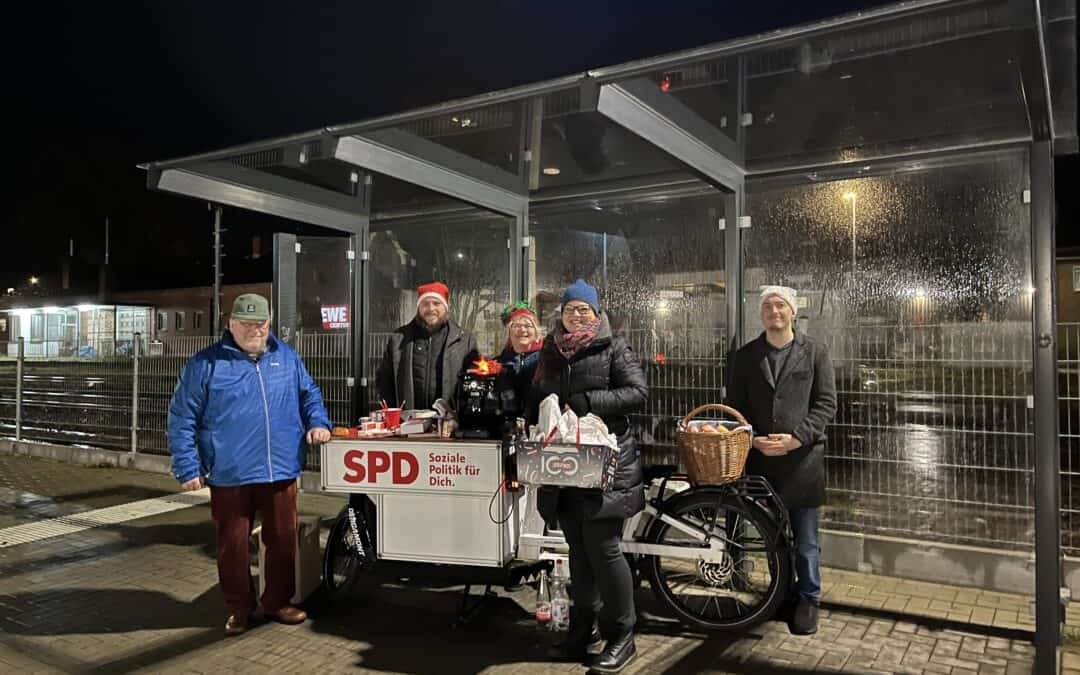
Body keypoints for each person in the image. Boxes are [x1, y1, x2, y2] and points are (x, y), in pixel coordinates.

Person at [167, 293, 333, 636]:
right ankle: (239, 608)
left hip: (281, 468)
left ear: (269, 324)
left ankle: (277, 601)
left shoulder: (286, 357)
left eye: (260, 323)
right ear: (231, 325)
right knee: (233, 544)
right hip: (230, 472)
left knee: (284, 539)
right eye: (246, 323)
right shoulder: (205, 364)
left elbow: (309, 394)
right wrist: (187, 466)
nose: (254, 329)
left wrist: (318, 421)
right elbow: (182, 416)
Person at [528, 279, 648, 673]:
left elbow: (638, 392)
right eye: (570, 308)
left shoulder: (613, 346)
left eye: (584, 309)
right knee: (578, 551)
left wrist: (589, 402)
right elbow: (539, 393)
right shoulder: (551, 349)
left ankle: (622, 636)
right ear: (560, 314)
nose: (577, 314)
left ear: (597, 314)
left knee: (605, 549)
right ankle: (583, 632)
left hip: (606, 467)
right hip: (565, 465)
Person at [726, 286, 837, 635]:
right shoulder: (745, 356)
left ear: (793, 312)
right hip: (763, 463)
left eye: (781, 306)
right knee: (773, 537)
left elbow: (826, 403)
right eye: (768, 306)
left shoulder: (815, 351)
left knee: (805, 540)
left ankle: (808, 600)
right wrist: (753, 438)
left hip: (802, 461)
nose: (775, 311)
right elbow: (737, 407)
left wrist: (797, 437)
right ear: (761, 314)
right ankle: (782, 595)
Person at [375, 281, 479, 411]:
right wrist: (392, 415)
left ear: (445, 307)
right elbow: (384, 381)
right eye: (425, 304)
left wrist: (462, 418)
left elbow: (474, 384)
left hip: (450, 425)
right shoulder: (398, 339)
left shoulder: (465, 341)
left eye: (436, 303)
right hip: (408, 424)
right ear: (419, 308)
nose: (431, 309)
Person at [494, 300, 543, 422]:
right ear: (508, 332)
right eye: (516, 325)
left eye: (528, 325)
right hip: (503, 430)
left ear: (536, 332)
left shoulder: (546, 361)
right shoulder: (497, 364)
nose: (522, 330)